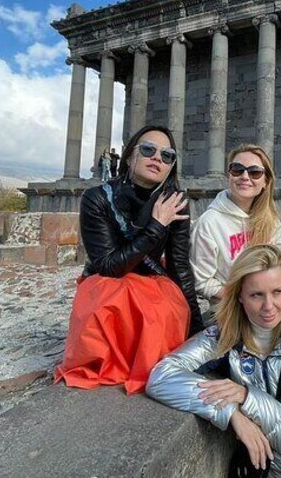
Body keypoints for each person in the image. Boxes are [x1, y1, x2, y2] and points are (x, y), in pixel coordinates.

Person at [147, 245, 281, 477]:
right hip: (274, 468)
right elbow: (161, 377)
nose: (269, 306)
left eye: (277, 292)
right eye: (256, 295)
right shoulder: (224, 336)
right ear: (239, 296)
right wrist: (231, 414)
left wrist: (248, 398)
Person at [55, 125, 204, 394]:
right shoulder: (97, 198)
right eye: (148, 150)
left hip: (151, 280)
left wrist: (196, 329)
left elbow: (179, 265)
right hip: (107, 282)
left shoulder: (176, 202)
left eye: (167, 155)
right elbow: (109, 266)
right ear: (128, 156)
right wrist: (156, 226)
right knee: (118, 306)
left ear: (171, 166)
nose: (157, 158)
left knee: (165, 309)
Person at [190, 144, 281, 314]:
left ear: (266, 181)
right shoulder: (209, 223)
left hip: (269, 310)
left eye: (255, 172)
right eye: (237, 169)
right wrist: (244, 298)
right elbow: (201, 281)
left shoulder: (272, 222)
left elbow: (276, 270)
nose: (245, 176)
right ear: (229, 175)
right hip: (230, 313)